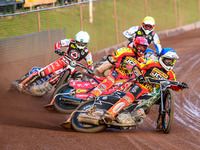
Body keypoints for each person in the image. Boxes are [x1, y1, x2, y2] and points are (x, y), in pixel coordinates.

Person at [101, 47, 188, 130]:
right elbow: (136, 66)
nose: (169, 63)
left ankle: (161, 124)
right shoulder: (152, 63)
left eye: (172, 61)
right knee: (129, 98)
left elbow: (172, 85)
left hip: (154, 93)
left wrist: (180, 87)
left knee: (164, 96)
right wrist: (140, 76)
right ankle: (109, 114)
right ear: (162, 58)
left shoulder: (171, 74)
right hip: (142, 86)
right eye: (168, 60)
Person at [18, 31, 94, 91]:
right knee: (43, 72)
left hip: (72, 69)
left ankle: (73, 94)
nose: (81, 44)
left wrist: (90, 69)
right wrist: (58, 49)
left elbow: (90, 63)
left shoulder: (87, 53)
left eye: (83, 43)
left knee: (79, 76)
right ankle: (23, 84)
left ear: (86, 43)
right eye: (79, 43)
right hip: (62, 62)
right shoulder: (71, 42)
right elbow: (59, 43)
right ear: (76, 40)